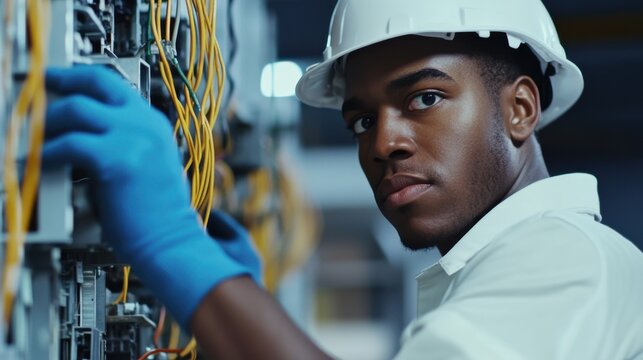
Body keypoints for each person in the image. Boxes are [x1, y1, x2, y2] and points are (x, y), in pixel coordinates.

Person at [43, 0, 643, 358]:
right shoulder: (532, 267)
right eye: (361, 120)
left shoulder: (564, 262)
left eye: (425, 97)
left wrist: (177, 250)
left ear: (520, 109)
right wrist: (236, 319)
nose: (384, 143)